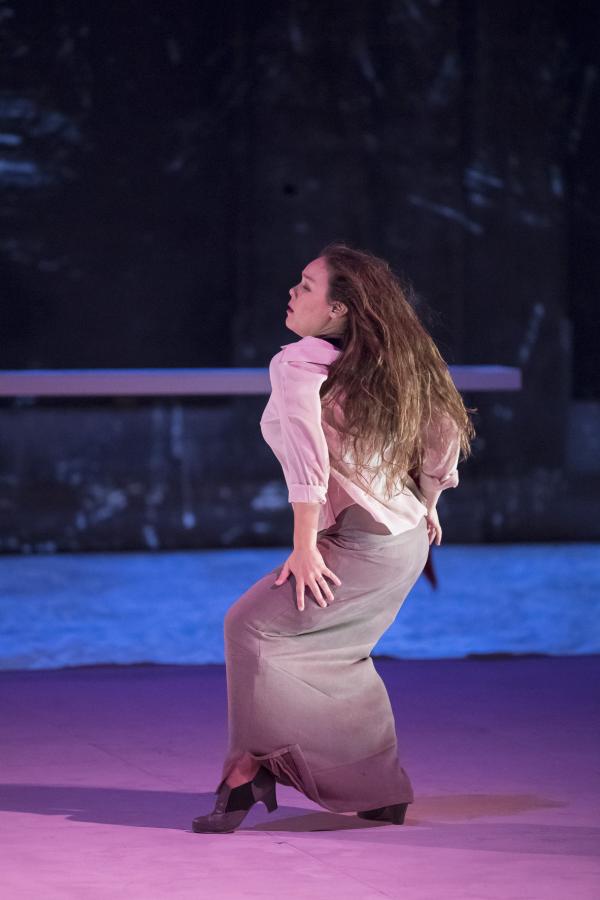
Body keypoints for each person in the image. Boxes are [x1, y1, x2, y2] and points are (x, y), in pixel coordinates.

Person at [192, 242, 476, 833]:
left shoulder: (298, 363)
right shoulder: (393, 360)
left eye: (306, 285)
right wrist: (429, 501)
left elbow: (308, 461)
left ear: (338, 309)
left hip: (363, 544)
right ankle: (376, 790)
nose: (292, 292)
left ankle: (247, 772)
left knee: (250, 627)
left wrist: (303, 548)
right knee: (338, 656)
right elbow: (444, 429)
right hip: (404, 539)